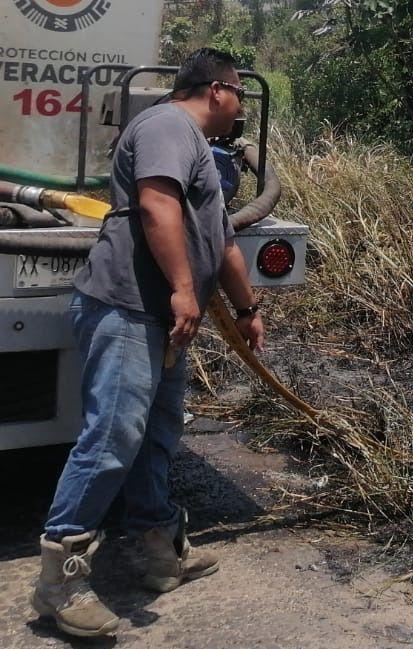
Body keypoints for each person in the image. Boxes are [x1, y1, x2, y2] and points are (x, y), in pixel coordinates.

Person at [32, 48, 267, 639]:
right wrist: (185, 291)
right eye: (239, 93)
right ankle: (61, 580)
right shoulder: (167, 125)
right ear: (217, 90)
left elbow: (222, 241)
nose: (241, 107)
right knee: (112, 438)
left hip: (161, 318)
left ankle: (159, 551)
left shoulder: (203, 154)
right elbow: (156, 204)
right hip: (129, 308)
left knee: (157, 433)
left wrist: (247, 309)